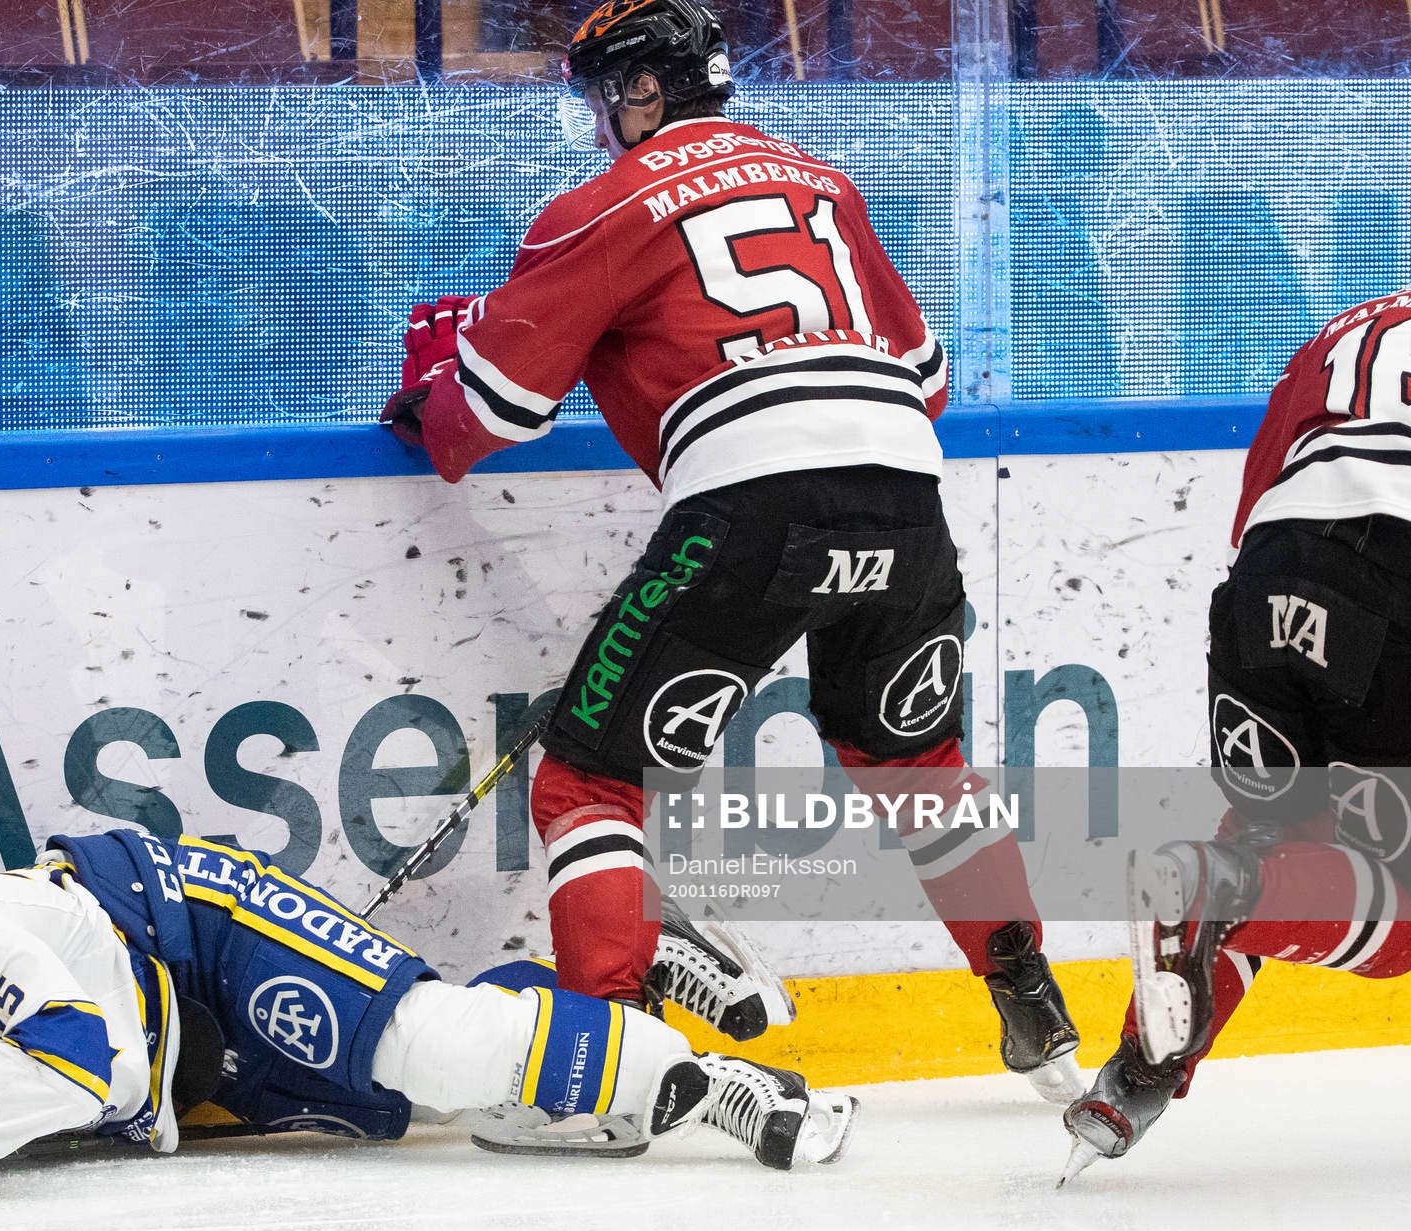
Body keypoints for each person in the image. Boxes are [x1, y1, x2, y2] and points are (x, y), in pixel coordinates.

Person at [381, 0, 1078, 1102]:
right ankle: (1029, 990)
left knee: (589, 780)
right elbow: (927, 378)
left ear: (643, 93)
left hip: (753, 510)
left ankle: (602, 1062)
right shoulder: (823, 185)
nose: (598, 121)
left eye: (602, 96)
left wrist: (425, 406)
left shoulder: (600, 207)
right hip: (906, 496)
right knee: (915, 762)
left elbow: (493, 410)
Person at [0, 825, 857, 1194]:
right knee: (453, 1104)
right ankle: (638, 967)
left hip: (206, 927)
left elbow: (89, 1061)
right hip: (185, 1023)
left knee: (432, 1050)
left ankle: (719, 1085)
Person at [1061, 287, 1411, 1182]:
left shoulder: (1351, 324)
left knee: (1266, 842)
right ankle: (1220, 899)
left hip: (1266, 583)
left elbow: (1259, 503)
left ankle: (1142, 1066)